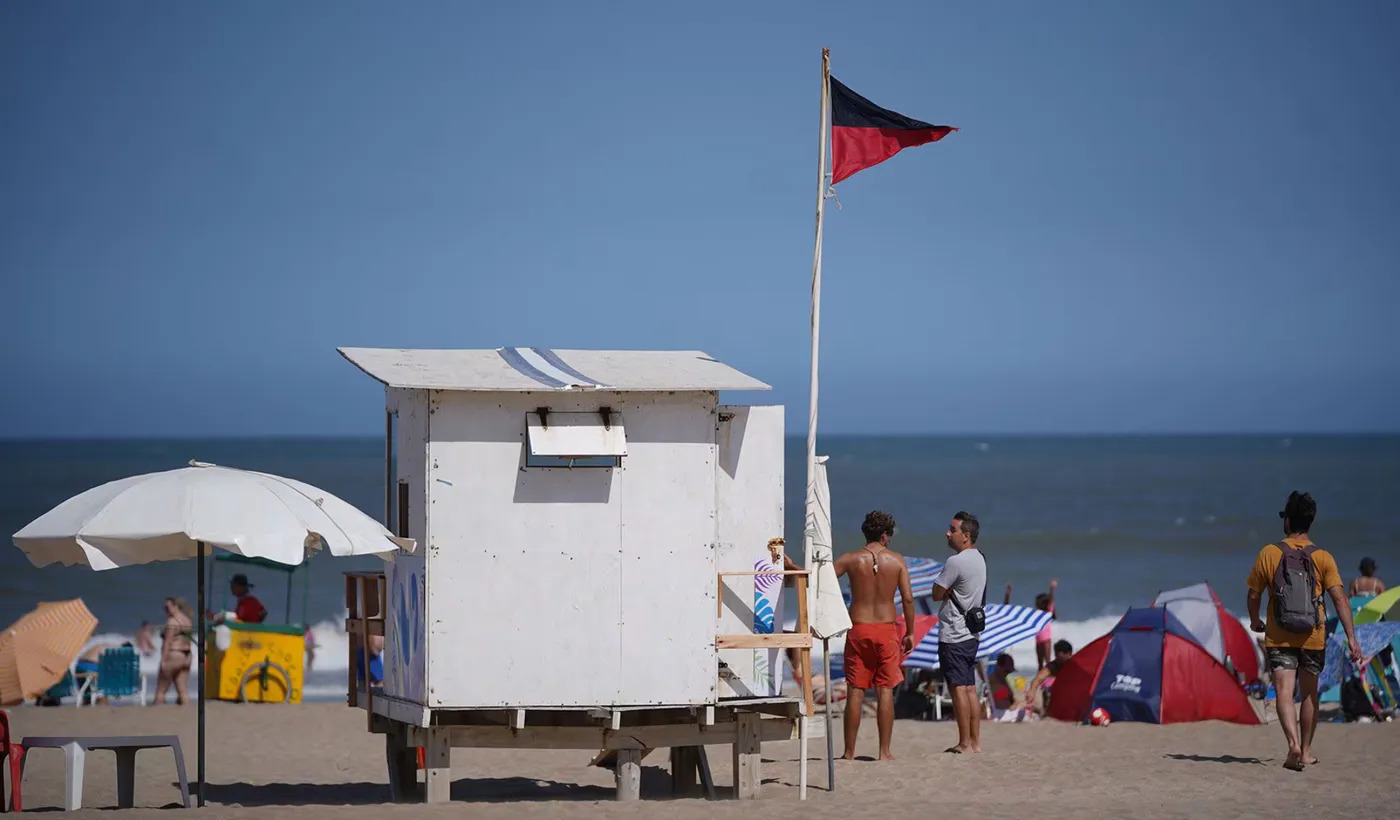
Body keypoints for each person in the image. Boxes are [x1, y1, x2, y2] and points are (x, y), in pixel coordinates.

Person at [1247, 491, 1363, 772]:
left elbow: (1253, 594)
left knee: (1284, 692)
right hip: (1314, 634)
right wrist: (1351, 637)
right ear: (1310, 522)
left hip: (1280, 632)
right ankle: (1307, 751)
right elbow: (1340, 600)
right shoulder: (1323, 557)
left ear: (1287, 520)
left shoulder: (1269, 552)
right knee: (1310, 694)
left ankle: (1292, 745)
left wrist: (1254, 620)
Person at [833, 510, 916, 761]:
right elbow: (908, 599)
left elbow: (819, 579)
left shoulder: (850, 559)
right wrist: (910, 632)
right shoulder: (897, 561)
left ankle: (849, 752)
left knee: (856, 690)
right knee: (885, 691)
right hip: (886, 630)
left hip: (859, 629)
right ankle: (884, 751)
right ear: (884, 534)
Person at [931, 511, 987, 753]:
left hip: (954, 632)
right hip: (971, 633)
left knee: (957, 689)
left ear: (966, 536)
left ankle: (964, 742)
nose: (947, 533)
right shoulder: (980, 558)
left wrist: (948, 589)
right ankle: (974, 742)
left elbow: (935, 593)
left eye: (952, 530)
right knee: (970, 688)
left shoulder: (956, 562)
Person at [154, 596, 194, 705]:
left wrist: (163, 660)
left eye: (168, 607)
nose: (166, 610)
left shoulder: (172, 621)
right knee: (183, 689)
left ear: (175, 606)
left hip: (174, 654)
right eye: (165, 608)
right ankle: (187, 711)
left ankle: (157, 711)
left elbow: (168, 642)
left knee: (161, 689)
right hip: (187, 655)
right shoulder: (187, 620)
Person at [1023, 639, 1073, 716]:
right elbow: (1038, 678)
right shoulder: (1053, 665)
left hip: (1074, 690)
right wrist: (1031, 691)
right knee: (1047, 690)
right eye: (1056, 655)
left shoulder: (1075, 664)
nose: (1056, 658)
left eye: (1060, 657)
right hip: (1061, 691)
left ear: (1069, 654)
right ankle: (1046, 712)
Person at [1033, 580, 1058, 669]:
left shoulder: (1048, 612)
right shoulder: (1036, 613)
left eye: (1037, 602)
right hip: (1038, 640)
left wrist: (1051, 589)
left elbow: (1051, 599)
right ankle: (1041, 681)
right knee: (1039, 663)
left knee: (1047, 662)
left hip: (1046, 640)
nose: (1035, 604)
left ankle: (1049, 680)